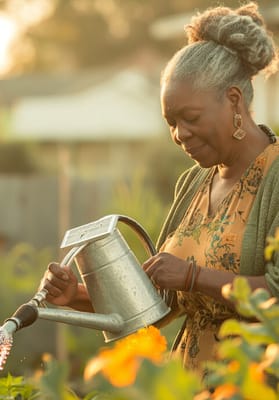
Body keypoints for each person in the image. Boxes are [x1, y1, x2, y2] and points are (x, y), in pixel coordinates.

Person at [40, 2, 279, 377]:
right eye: (171, 122)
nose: (180, 134)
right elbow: (158, 304)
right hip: (189, 383)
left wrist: (192, 276)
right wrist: (76, 297)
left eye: (191, 118)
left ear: (233, 100)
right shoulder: (194, 184)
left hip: (254, 382)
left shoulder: (276, 178)